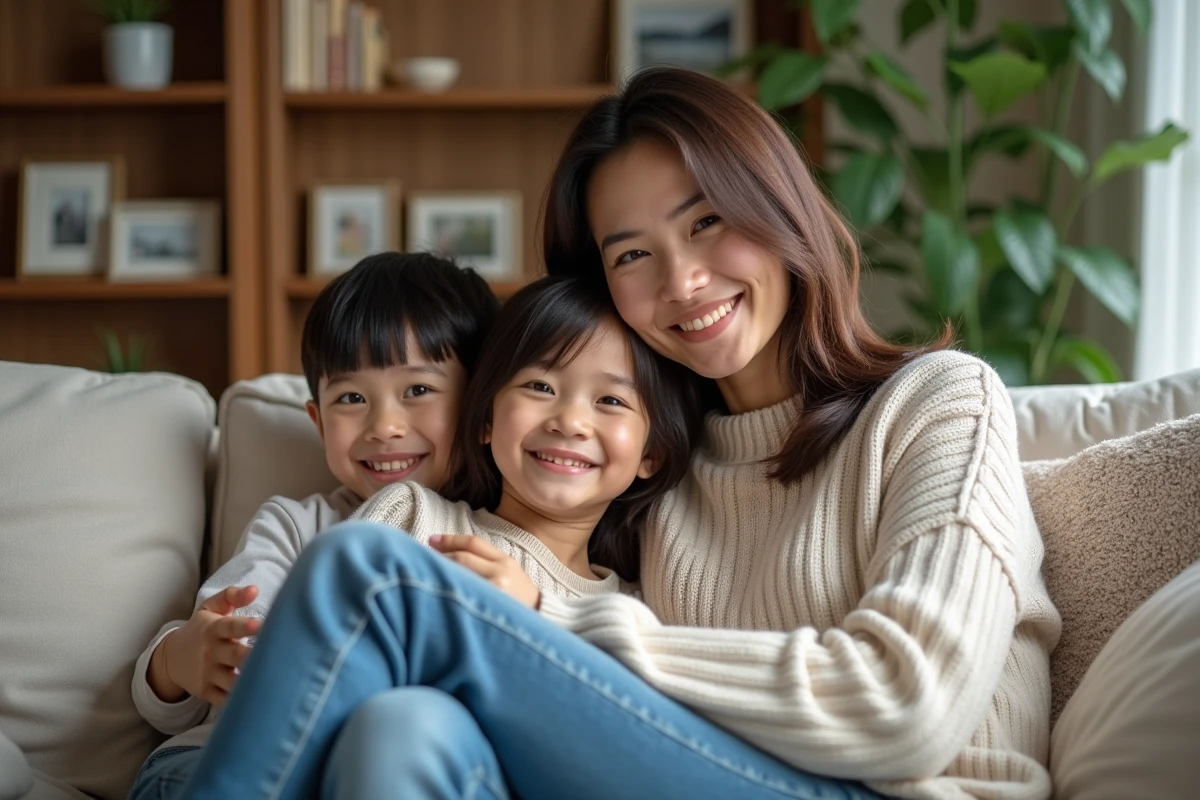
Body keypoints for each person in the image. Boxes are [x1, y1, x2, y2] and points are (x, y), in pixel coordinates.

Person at [182, 66, 1061, 800]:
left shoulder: (939, 402)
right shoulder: (657, 470)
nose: (682, 280)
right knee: (405, 732)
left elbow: (903, 707)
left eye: (707, 220)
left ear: (782, 208)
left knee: (367, 573)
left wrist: (565, 626)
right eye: (632, 253)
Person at [127, 251, 499, 799]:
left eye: (418, 390)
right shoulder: (298, 526)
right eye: (351, 398)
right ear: (317, 420)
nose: (384, 425)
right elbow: (226, 631)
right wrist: (182, 657)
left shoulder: (496, 541)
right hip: (223, 756)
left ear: (480, 404)